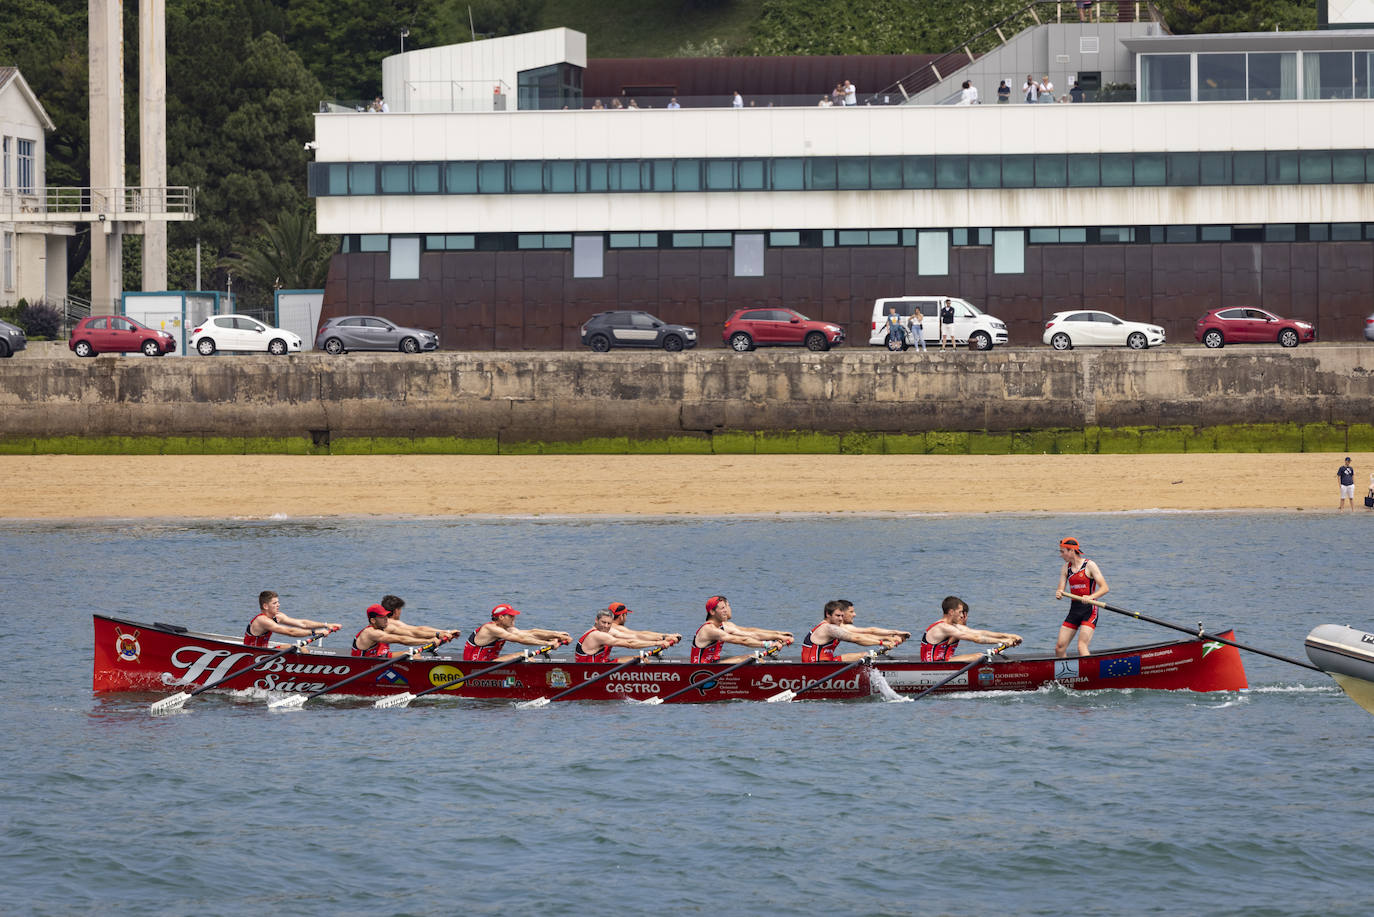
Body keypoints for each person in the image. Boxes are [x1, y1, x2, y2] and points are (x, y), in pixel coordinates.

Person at [692, 595, 793, 664]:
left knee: (752, 657)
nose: (726, 611)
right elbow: (741, 640)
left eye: (726, 607)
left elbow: (751, 633)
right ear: (712, 612)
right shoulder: (709, 630)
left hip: (714, 664)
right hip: (701, 669)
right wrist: (769, 644)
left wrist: (779, 635)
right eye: (722, 608)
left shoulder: (724, 626)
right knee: (752, 658)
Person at [919, 596, 1022, 663]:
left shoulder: (952, 626)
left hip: (942, 661)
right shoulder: (943, 627)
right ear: (951, 612)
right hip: (933, 666)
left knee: (979, 656)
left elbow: (980, 633)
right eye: (959, 612)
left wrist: (1008, 636)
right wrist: (1003, 641)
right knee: (979, 656)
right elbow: (976, 638)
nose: (961, 615)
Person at [1054, 537, 1109, 657]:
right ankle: (1064, 674)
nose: (1060, 555)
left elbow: (1105, 588)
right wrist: (1059, 593)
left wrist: (1091, 597)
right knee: (1059, 647)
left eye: (1062, 552)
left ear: (1071, 551)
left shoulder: (1090, 565)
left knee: (1081, 646)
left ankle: (1089, 675)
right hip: (1074, 610)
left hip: (1090, 609)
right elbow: (1060, 589)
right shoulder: (1065, 568)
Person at [351, 598, 458, 658]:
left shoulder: (385, 627)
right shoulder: (370, 633)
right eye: (382, 617)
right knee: (415, 656)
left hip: (380, 658)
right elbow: (401, 640)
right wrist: (429, 641)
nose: (386, 619)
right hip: (364, 664)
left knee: (416, 655)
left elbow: (412, 633)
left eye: (386, 615)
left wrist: (439, 634)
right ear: (373, 620)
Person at [802, 601, 905, 663]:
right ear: (828, 614)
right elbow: (856, 638)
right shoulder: (828, 628)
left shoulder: (836, 627)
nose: (841, 619)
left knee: (864, 655)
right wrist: (883, 643)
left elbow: (863, 634)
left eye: (842, 616)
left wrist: (889, 637)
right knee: (866, 656)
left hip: (827, 662)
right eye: (837, 616)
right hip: (816, 666)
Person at [464, 604, 571, 663]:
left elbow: (531, 633)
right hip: (475, 665)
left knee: (523, 655)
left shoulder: (507, 628)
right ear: (501, 617)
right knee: (523, 655)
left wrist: (557, 635)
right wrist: (548, 644)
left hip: (489, 662)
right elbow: (520, 640)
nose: (514, 618)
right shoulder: (490, 628)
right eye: (510, 616)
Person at [244, 590, 340, 647]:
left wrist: (326, 625)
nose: (278, 605)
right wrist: (316, 632)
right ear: (265, 606)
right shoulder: (262, 621)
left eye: (278, 602)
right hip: (253, 656)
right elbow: (290, 632)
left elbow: (302, 623)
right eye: (274, 603)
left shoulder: (278, 616)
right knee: (298, 649)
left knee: (301, 649)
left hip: (263, 654)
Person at [575, 610, 677, 662]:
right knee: (640, 661)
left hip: (603, 665)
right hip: (592, 672)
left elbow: (634, 637)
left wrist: (665, 637)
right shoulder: (597, 635)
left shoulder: (606, 631)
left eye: (609, 623)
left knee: (639, 659)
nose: (606, 626)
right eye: (603, 622)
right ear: (596, 620)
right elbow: (629, 644)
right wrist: (658, 643)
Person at [605, 601, 682, 646]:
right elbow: (637, 636)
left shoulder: (611, 626)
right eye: (626, 615)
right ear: (621, 616)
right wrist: (663, 640)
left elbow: (641, 633)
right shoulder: (616, 628)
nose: (626, 618)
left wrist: (667, 636)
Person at [835, 599, 910, 643]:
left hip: (826, 659)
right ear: (842, 613)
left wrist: (890, 636)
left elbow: (868, 633)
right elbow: (865, 634)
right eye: (851, 612)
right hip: (823, 662)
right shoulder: (838, 627)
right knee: (863, 655)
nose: (855, 614)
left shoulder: (844, 626)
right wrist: (888, 638)